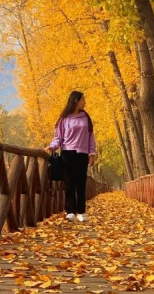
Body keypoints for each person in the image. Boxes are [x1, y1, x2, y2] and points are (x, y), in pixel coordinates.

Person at [46, 91, 96, 222]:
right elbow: (58, 138)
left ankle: (81, 211)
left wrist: (92, 153)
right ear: (76, 101)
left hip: (82, 154)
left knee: (81, 183)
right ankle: (70, 211)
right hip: (67, 153)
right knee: (69, 183)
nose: (85, 102)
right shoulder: (64, 119)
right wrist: (52, 147)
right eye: (83, 100)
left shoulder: (86, 118)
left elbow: (91, 137)